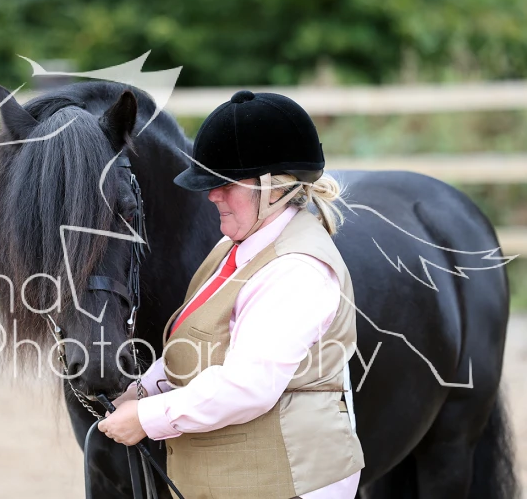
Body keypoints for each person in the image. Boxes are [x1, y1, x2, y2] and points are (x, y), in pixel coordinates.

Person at [98, 90, 364, 499]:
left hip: (291, 484)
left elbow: (248, 386)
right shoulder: (234, 247)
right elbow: (204, 346)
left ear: (274, 188)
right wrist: (144, 389)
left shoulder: (296, 270)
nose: (211, 195)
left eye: (226, 184)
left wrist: (147, 417)